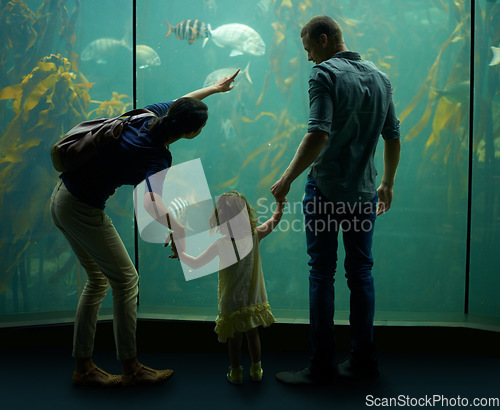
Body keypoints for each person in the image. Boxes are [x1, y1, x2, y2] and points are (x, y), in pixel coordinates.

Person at [50, 69, 239, 387]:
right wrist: (179, 230)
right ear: (191, 133)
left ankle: (83, 368)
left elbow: (183, 100)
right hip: (81, 209)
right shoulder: (156, 156)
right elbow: (152, 202)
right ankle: (131, 367)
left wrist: (215, 89)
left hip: (64, 198)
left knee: (98, 281)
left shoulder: (148, 116)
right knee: (126, 281)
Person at [271, 15, 401, 384]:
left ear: (324, 40)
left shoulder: (323, 74)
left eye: (309, 49)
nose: (310, 58)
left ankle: (321, 366)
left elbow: (318, 134)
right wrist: (387, 183)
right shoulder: (380, 77)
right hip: (363, 194)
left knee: (322, 272)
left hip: (326, 192)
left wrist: (286, 179)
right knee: (360, 273)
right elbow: (393, 136)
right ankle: (364, 361)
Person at [172, 191, 284, 384]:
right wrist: (280, 204)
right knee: (253, 333)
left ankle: (236, 371)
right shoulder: (256, 236)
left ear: (220, 218)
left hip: (231, 300)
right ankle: (256, 369)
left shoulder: (220, 244)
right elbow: (275, 220)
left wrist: (180, 253)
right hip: (252, 298)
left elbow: (197, 264)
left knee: (235, 337)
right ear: (246, 213)